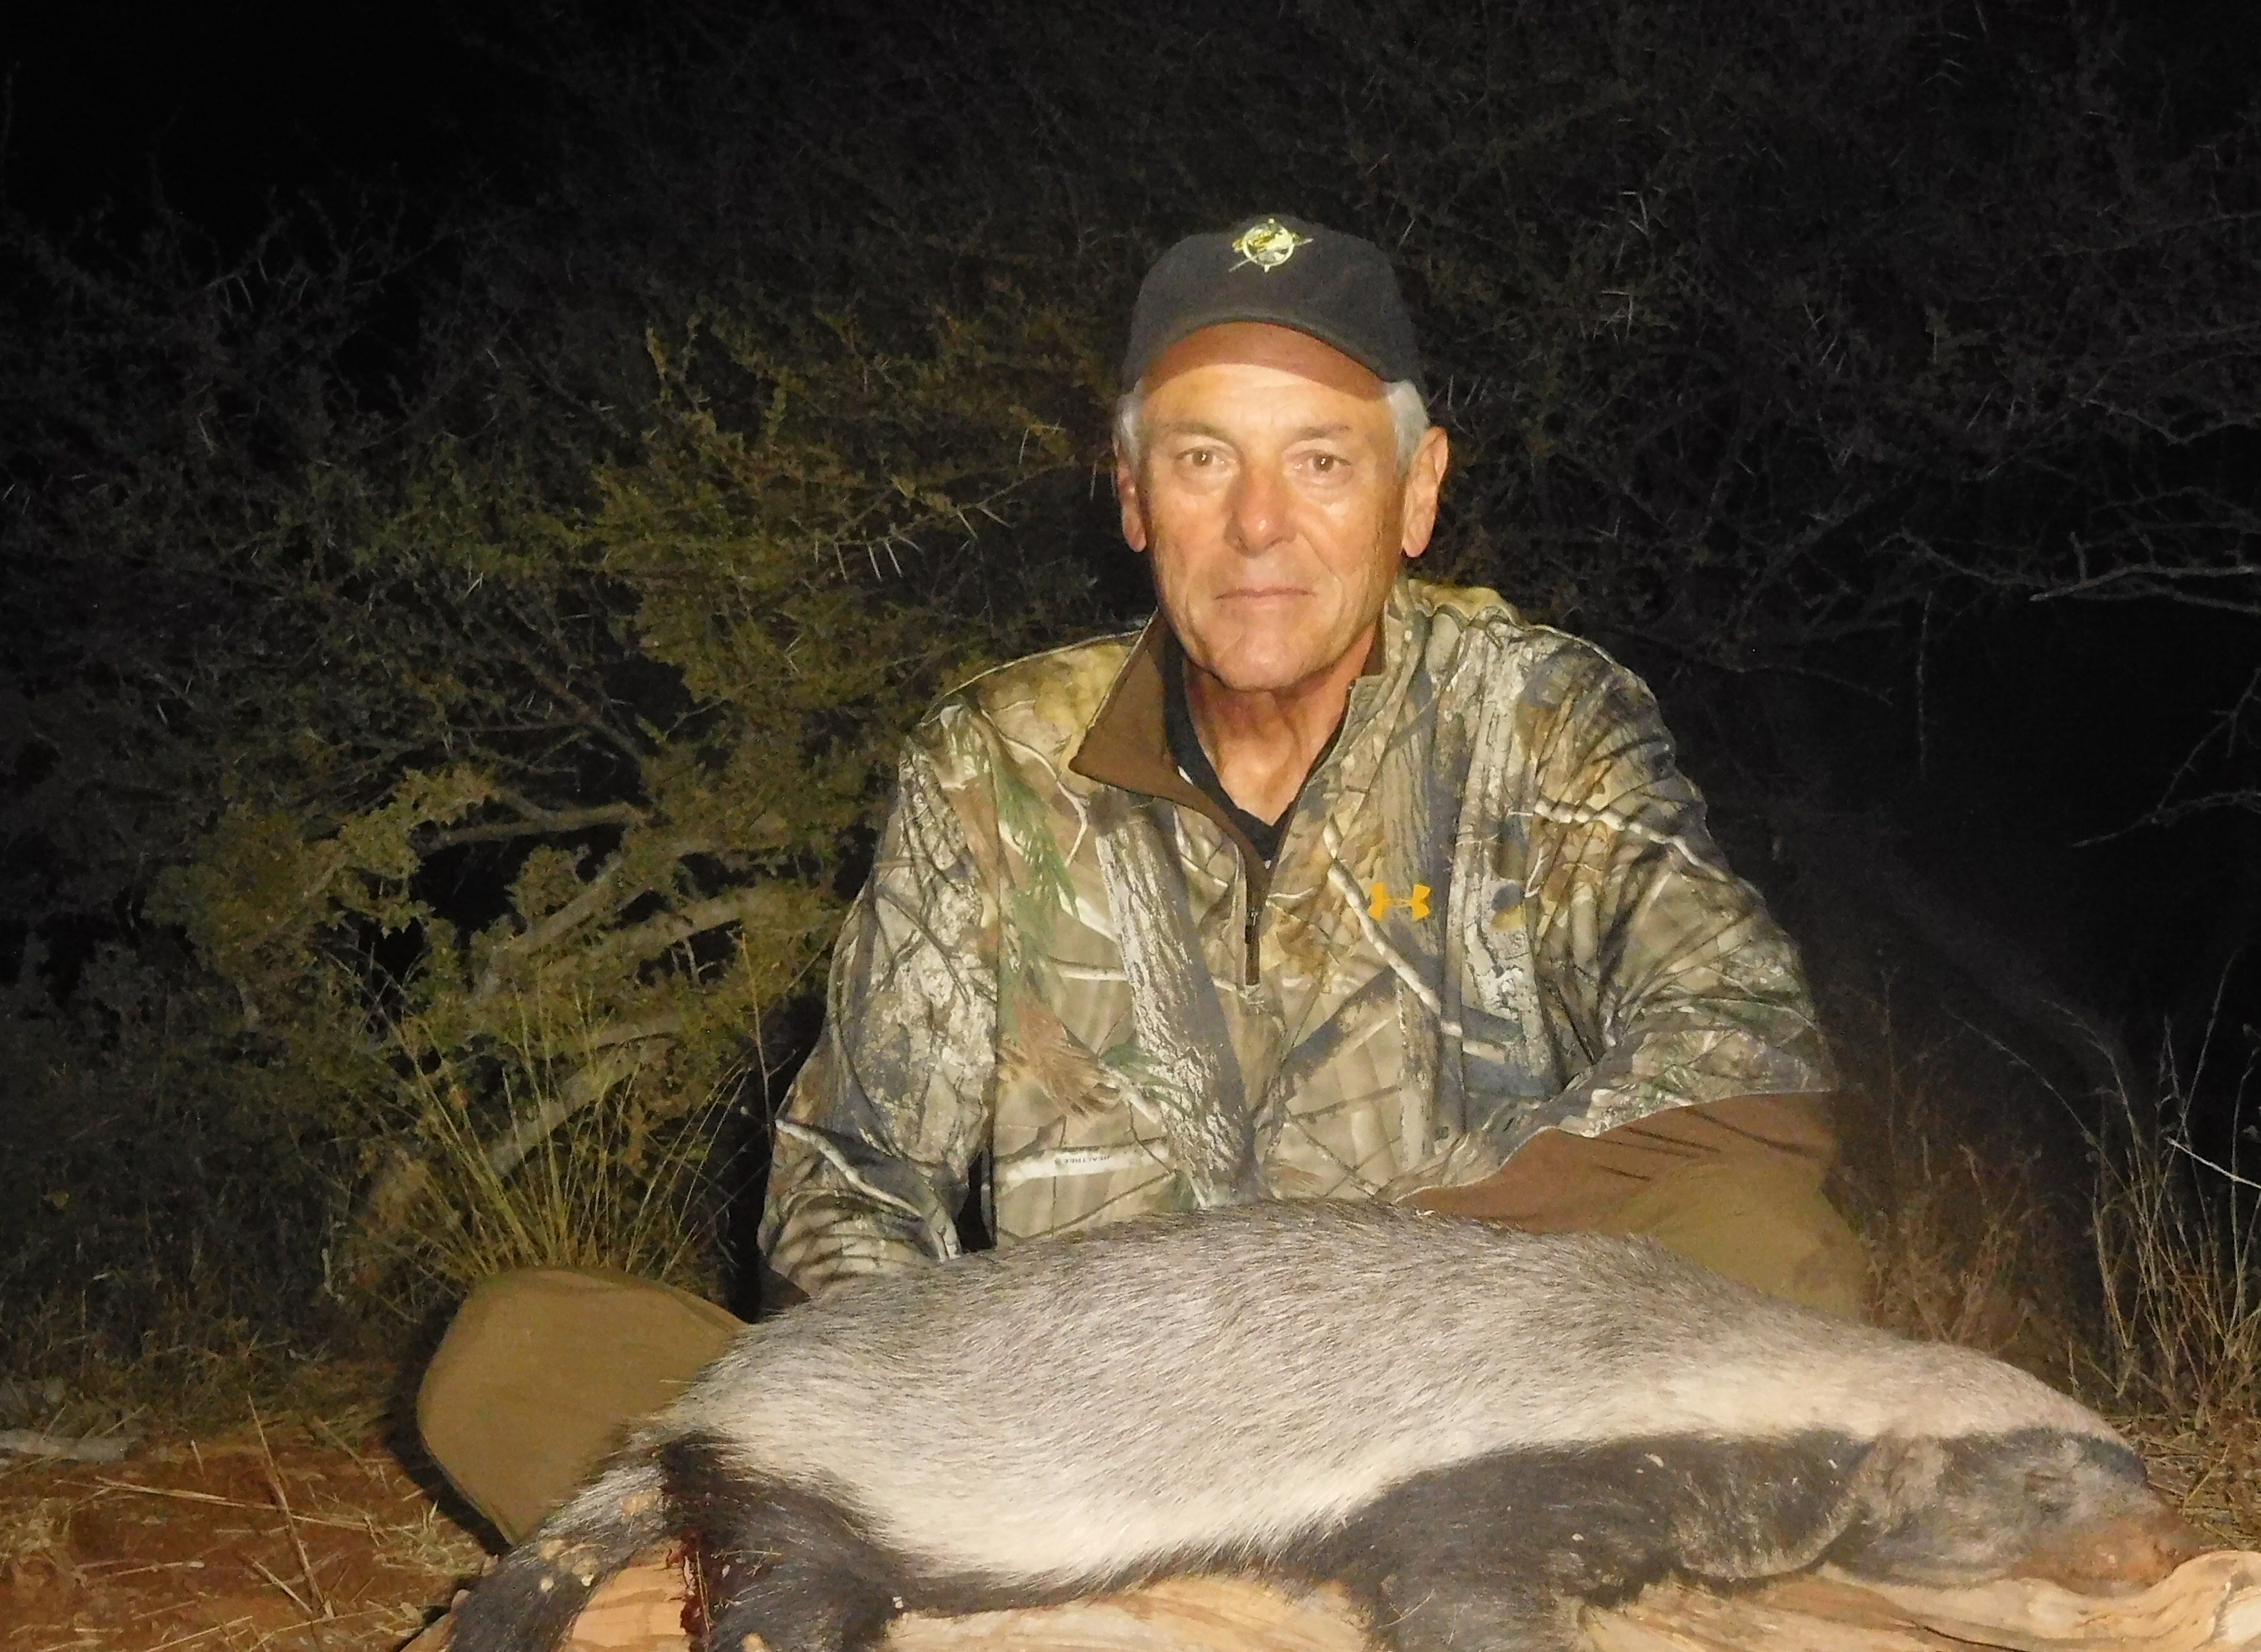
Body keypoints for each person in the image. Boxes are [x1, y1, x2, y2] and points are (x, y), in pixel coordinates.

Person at [418, 214, 1865, 1548]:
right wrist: (977, 1403)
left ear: (1415, 495)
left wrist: (1335, 1294)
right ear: (1130, 496)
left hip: (1451, 1436)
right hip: (1072, 1459)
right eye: (1200, 459)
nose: (1256, 526)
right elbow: (847, 1185)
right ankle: (1052, 1639)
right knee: (518, 1368)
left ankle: (1368, 1642)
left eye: (1320, 459)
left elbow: (1741, 1049)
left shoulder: (1540, 719)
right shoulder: (991, 763)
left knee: (1767, 1262)